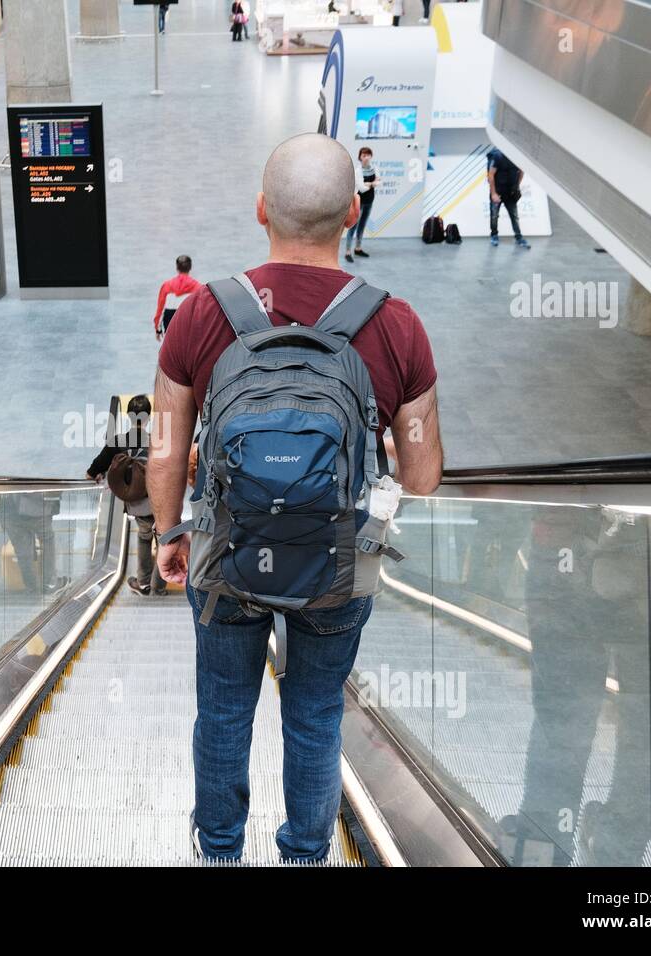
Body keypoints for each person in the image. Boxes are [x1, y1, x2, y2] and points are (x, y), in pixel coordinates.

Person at [147, 132, 443, 863]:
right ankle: (306, 855)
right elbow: (424, 473)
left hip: (224, 555)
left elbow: (162, 447)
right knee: (314, 716)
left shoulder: (202, 316)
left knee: (223, 712)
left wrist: (167, 535)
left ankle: (218, 852)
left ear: (259, 209)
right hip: (338, 565)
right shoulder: (396, 325)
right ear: (352, 213)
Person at [86, 394, 165, 596]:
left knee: (145, 536)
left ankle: (144, 583)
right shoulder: (159, 441)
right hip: (162, 501)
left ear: (129, 417)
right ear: (148, 418)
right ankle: (159, 585)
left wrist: (99, 476)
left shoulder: (118, 441)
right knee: (164, 539)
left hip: (138, 503)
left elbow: (91, 472)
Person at [488, 147, 530, 249]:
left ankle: (519, 237)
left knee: (514, 216)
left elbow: (521, 172)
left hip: (510, 193)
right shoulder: (498, 156)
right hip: (498, 192)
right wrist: (493, 193)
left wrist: (516, 186)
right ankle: (494, 235)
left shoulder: (518, 157)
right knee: (494, 216)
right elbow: (491, 175)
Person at [153, 254, 202, 339]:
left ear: (177, 268)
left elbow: (160, 310)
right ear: (190, 268)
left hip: (170, 326)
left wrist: (158, 329)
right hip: (188, 326)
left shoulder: (166, 286)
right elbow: (201, 312)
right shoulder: (198, 287)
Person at [343, 147, 377, 263]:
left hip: (369, 201)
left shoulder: (374, 168)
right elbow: (361, 189)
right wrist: (373, 184)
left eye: (368, 155)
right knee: (353, 226)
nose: (366, 157)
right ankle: (348, 251)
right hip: (359, 202)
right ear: (360, 157)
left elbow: (380, 182)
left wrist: (369, 183)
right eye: (364, 155)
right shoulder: (358, 171)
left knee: (362, 226)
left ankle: (358, 248)